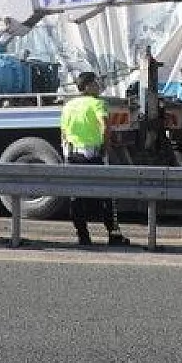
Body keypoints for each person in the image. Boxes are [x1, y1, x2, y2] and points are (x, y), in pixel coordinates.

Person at [58, 71, 129, 247]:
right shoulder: (98, 104)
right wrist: (106, 148)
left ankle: (83, 236)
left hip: (73, 155)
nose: (99, 86)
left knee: (76, 197)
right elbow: (105, 127)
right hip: (93, 155)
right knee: (106, 196)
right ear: (88, 86)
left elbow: (64, 133)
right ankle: (114, 235)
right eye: (96, 83)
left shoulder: (68, 106)